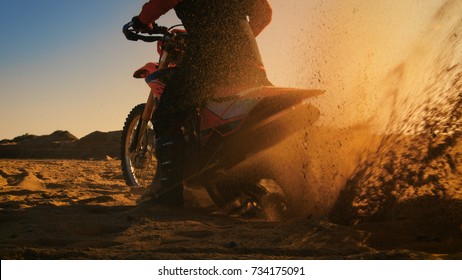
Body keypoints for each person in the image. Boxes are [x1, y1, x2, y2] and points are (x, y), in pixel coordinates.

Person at [131, 0, 272, 206]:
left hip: (209, 62)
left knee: (166, 114)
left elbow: (159, 4)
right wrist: (238, 36)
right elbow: (265, 12)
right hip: (251, 64)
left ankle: (168, 194)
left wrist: (140, 22)